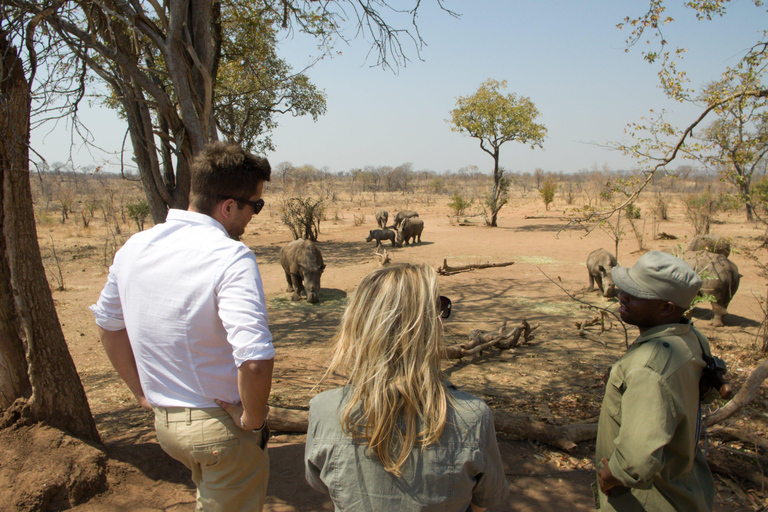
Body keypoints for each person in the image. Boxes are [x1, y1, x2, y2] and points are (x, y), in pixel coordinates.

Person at [90, 141, 274, 511]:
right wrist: (253, 420)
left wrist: (141, 393)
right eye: (256, 205)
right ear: (227, 206)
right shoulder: (231, 256)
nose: (255, 214)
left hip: (167, 426)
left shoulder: (135, 247)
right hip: (221, 428)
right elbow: (254, 359)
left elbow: (108, 325)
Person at [305, 263, 508, 512]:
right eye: (438, 310)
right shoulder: (473, 417)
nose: (442, 321)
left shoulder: (324, 410)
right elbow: (483, 501)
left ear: (357, 325)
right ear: (429, 328)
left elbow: (320, 483)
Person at [595, 251, 715, 511]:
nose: (622, 294)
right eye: (625, 286)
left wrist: (611, 475)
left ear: (666, 308)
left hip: (649, 501)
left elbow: (636, 462)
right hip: (685, 487)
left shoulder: (649, 368)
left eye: (637, 293)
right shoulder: (691, 338)